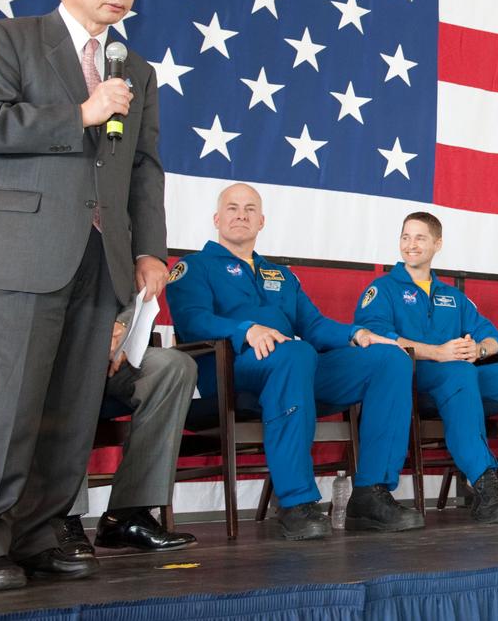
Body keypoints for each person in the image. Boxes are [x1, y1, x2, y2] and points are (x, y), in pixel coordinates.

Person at [0, 0, 168, 593]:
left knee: (70, 407)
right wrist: (82, 112)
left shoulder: (137, 68)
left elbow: (144, 168)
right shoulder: (8, 39)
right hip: (28, 249)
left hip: (106, 256)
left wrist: (150, 248)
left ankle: (38, 534)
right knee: (7, 403)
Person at [166, 183, 423, 538]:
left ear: (262, 221)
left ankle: (371, 494)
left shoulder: (280, 275)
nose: (241, 214)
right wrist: (246, 329)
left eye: (250, 209)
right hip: (232, 371)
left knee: (389, 359)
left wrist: (357, 334)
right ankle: (295, 501)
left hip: (294, 370)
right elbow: (193, 320)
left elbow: (314, 325)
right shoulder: (193, 266)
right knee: (296, 354)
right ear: (216, 219)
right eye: (232, 208)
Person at [0, 306, 198, 559]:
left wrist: (121, 330)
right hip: (9, 361)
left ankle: (127, 516)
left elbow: (139, 297)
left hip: (97, 352)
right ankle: (60, 519)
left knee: (171, 366)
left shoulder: (117, 264)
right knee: (68, 362)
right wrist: (91, 342)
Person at [354, 212, 498, 518]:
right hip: (409, 382)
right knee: (458, 372)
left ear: (437, 243)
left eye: (420, 237)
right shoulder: (383, 290)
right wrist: (436, 352)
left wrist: (479, 349)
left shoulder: (452, 296)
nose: (411, 245)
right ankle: (484, 485)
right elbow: (376, 339)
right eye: (405, 237)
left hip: (460, 379)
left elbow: (493, 336)